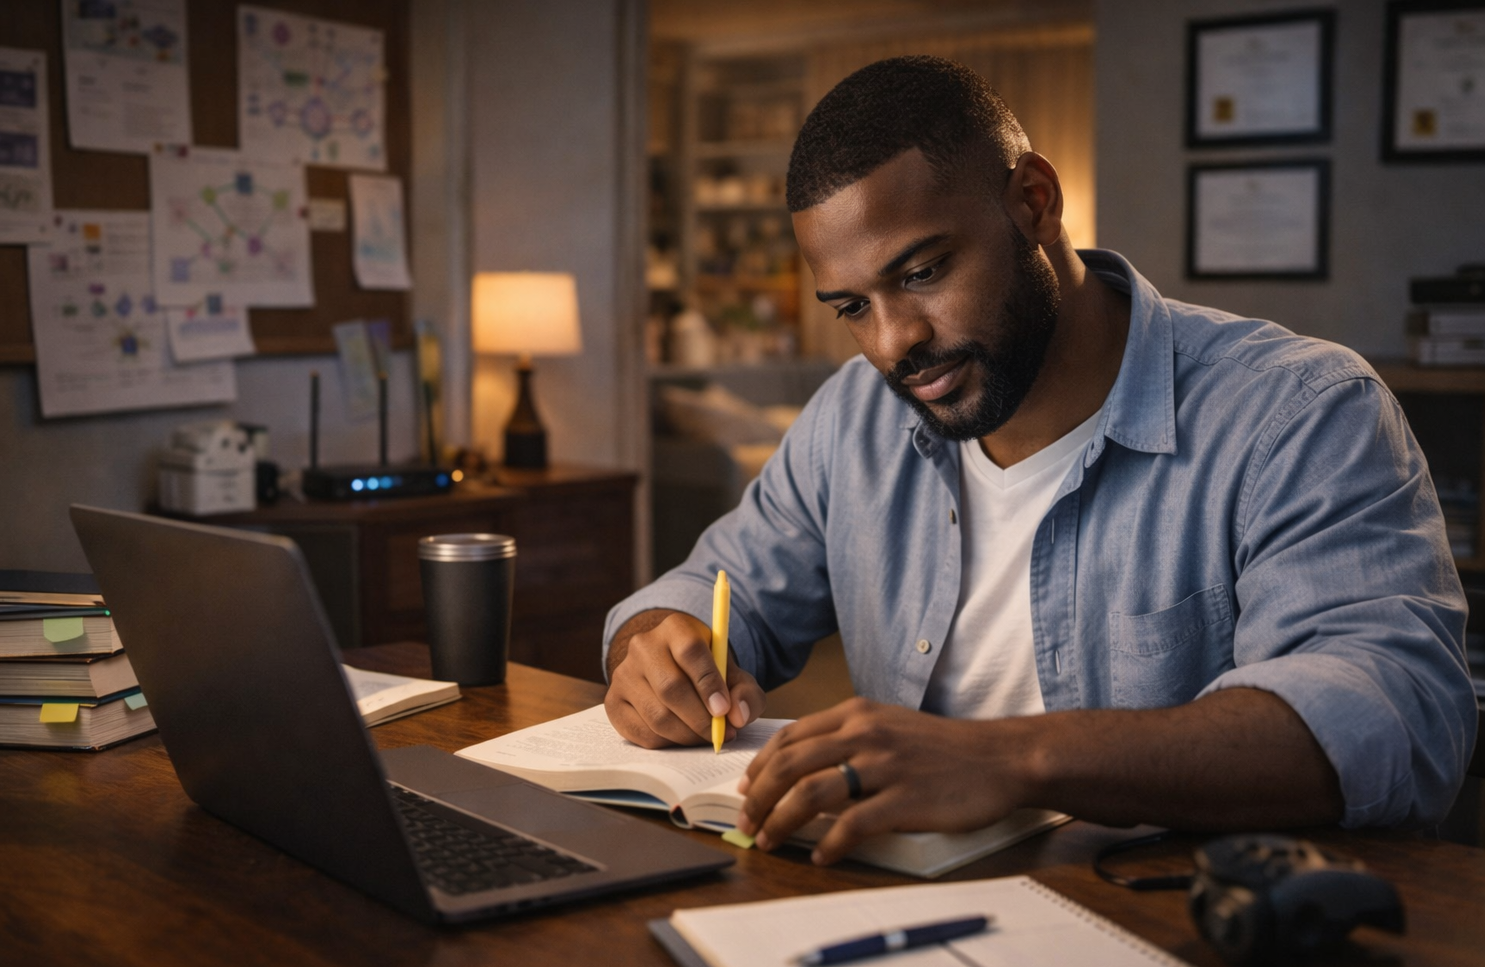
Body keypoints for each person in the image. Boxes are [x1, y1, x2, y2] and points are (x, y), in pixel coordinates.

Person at [603, 56, 1476, 865]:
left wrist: (1015, 758)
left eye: (922, 272)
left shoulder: (1298, 412)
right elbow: (714, 591)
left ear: (1034, 201)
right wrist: (657, 650)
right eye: (852, 308)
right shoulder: (853, 419)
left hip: (1180, 929)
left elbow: (1391, 714)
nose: (895, 341)